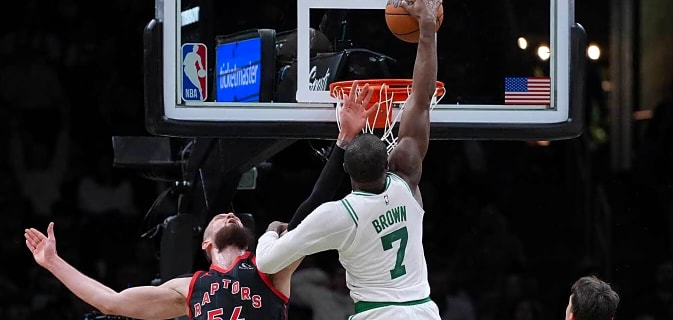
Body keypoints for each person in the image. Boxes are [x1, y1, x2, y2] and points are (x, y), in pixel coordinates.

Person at [22, 82, 376, 320]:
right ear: (205, 242)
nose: (228, 213)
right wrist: (52, 262)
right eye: (222, 216)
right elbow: (111, 301)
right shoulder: (189, 288)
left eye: (231, 216)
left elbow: (312, 205)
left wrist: (344, 140)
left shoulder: (270, 265)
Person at [254, 0, 442, 319]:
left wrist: (271, 232)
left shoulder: (339, 215)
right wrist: (427, 29)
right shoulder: (405, 182)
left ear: (346, 170)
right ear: (388, 162)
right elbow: (420, 100)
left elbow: (268, 263)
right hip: (423, 311)